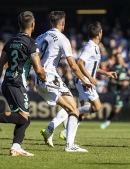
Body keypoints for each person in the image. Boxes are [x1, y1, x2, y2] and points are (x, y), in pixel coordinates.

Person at [40, 21, 117, 146]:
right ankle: (62, 126)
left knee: (85, 113)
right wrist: (88, 79)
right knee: (97, 107)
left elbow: (92, 66)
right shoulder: (90, 46)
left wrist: (106, 73)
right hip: (84, 82)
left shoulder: (95, 47)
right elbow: (80, 63)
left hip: (85, 81)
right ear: (99, 33)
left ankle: (62, 131)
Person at [36, 11, 95, 152]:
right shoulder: (63, 39)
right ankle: (70, 145)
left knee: (72, 105)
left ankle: (50, 130)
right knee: (73, 110)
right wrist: (84, 80)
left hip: (41, 79)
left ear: (51, 22)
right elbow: (73, 65)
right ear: (62, 23)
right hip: (50, 78)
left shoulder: (40, 37)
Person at [0, 11, 46, 156]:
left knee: (23, 118)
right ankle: (16, 146)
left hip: (7, 83)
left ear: (19, 25)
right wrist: (44, 77)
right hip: (17, 84)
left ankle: (15, 147)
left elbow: (1, 65)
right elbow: (38, 70)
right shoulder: (31, 44)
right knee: (23, 118)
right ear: (33, 25)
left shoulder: (10, 42)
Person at [100, 53, 130, 129]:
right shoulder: (113, 68)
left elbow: (127, 77)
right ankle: (107, 121)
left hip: (128, 89)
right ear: (115, 59)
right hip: (119, 90)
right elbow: (111, 81)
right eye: (117, 58)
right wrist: (120, 83)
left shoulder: (125, 67)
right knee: (117, 109)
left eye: (120, 57)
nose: (119, 59)